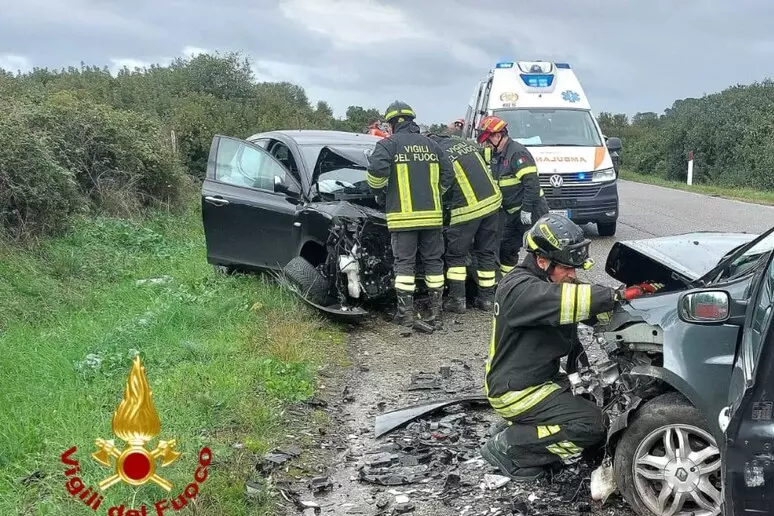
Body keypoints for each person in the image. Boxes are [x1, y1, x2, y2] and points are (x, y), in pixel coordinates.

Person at [480, 213, 665, 481]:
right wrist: (615, 295)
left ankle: (523, 430)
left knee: (592, 405)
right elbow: (568, 299)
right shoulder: (518, 289)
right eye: (567, 268)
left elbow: (589, 306)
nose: (572, 275)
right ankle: (511, 448)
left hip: (538, 379)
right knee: (592, 425)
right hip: (517, 390)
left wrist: (639, 302)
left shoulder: (550, 282)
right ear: (542, 261)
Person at [366, 101, 454, 335]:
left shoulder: (388, 145)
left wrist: (379, 193)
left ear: (392, 123)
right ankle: (436, 315)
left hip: (403, 219)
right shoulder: (432, 145)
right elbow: (448, 174)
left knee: (404, 265)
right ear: (412, 121)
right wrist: (436, 193)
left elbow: (376, 173)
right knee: (434, 263)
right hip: (432, 217)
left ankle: (405, 315)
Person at [426, 132, 502, 312]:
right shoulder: (462, 143)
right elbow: (487, 158)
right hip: (492, 203)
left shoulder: (437, 153)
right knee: (485, 252)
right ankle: (487, 299)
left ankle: (457, 300)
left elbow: (441, 182)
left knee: (456, 255)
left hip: (468, 208)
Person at [475, 115, 549, 276]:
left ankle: (542, 283)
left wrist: (527, 209)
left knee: (539, 250)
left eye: (487, 140)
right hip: (511, 212)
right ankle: (507, 281)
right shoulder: (495, 153)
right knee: (506, 249)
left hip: (532, 209)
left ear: (497, 135)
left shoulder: (517, 153)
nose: (486, 144)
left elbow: (532, 184)